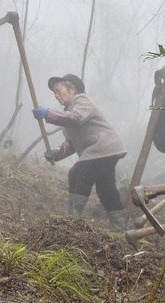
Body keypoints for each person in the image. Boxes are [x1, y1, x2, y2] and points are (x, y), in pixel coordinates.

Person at [32, 74, 127, 232]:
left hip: (103, 147)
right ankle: (119, 230)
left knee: (78, 175)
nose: (56, 95)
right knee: (106, 188)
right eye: (54, 92)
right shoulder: (68, 111)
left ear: (72, 89)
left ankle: (72, 223)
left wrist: (48, 113)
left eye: (58, 90)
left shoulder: (82, 100)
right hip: (105, 150)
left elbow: (76, 118)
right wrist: (57, 153)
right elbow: (71, 143)